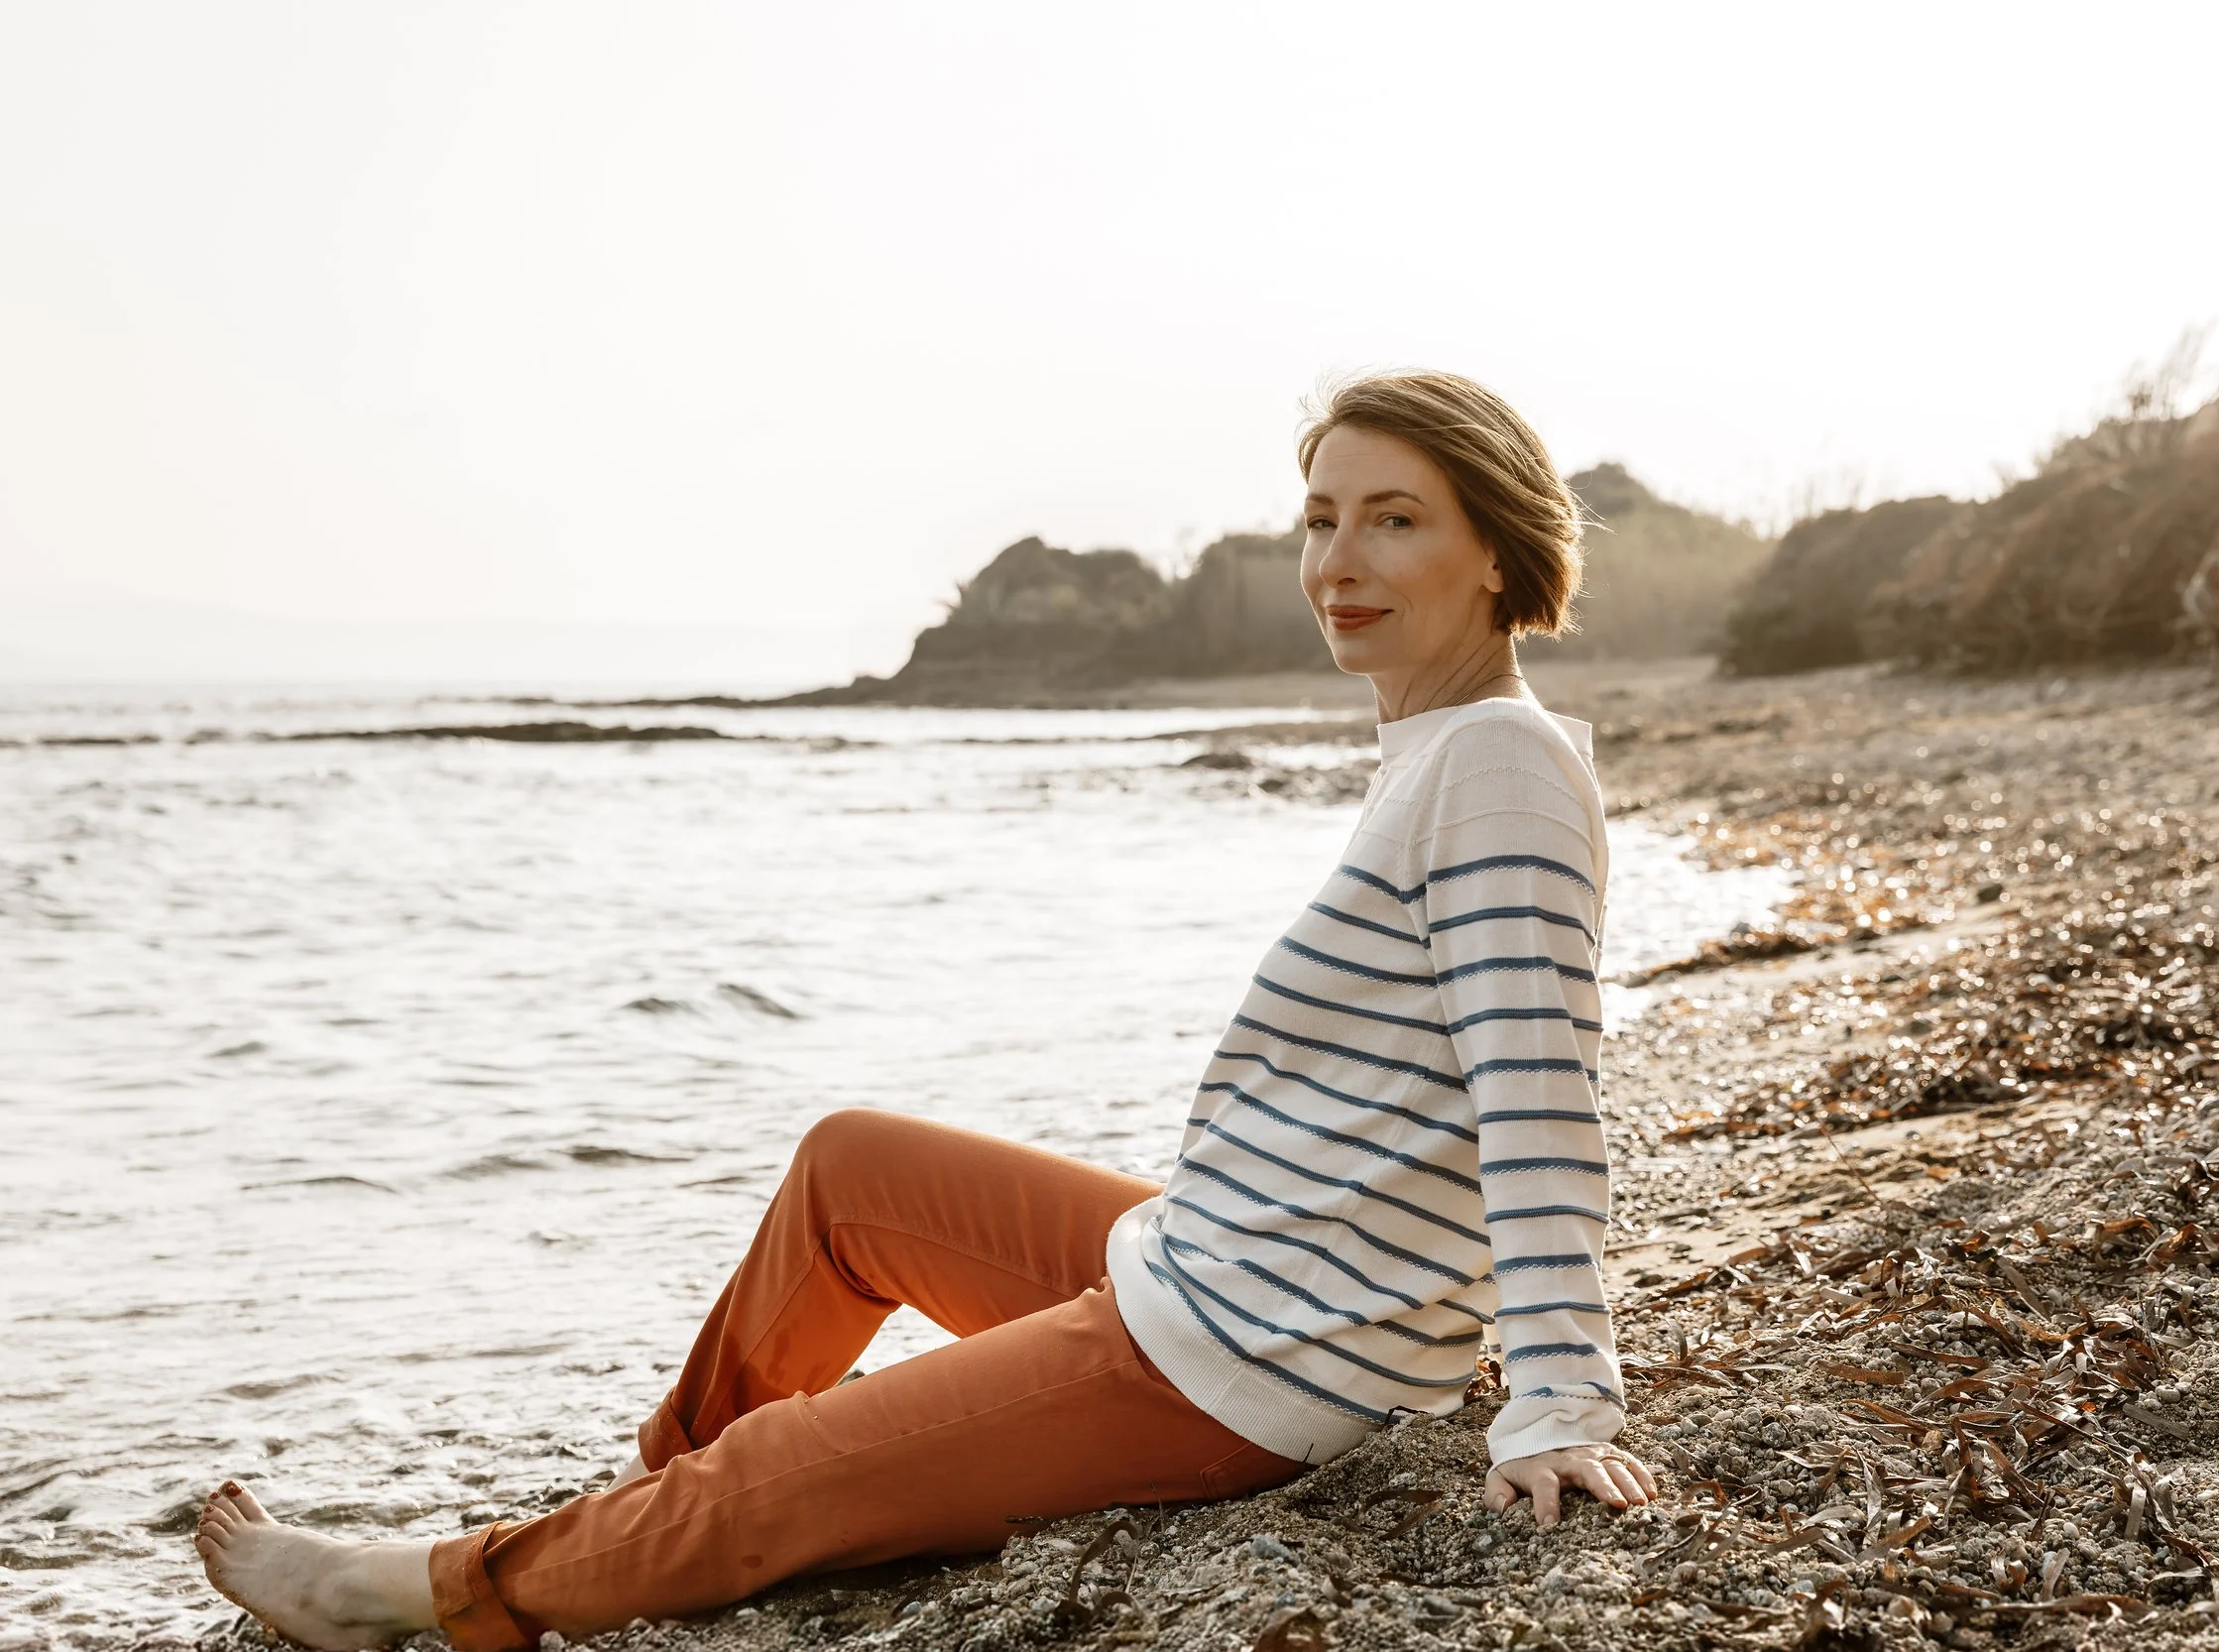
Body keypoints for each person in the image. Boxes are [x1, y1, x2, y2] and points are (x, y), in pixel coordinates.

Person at [192, 371, 1655, 1651]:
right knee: (852, 1169)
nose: (1337, 560)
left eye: (1393, 519)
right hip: (1217, 1265)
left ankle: (409, 1592)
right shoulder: (1443, 749)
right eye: (1320, 519)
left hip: (1250, 1363)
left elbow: (1536, 1093)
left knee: (778, 1485)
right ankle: (642, 1505)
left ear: (1496, 547)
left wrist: (1556, 1404)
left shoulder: (1498, 767)